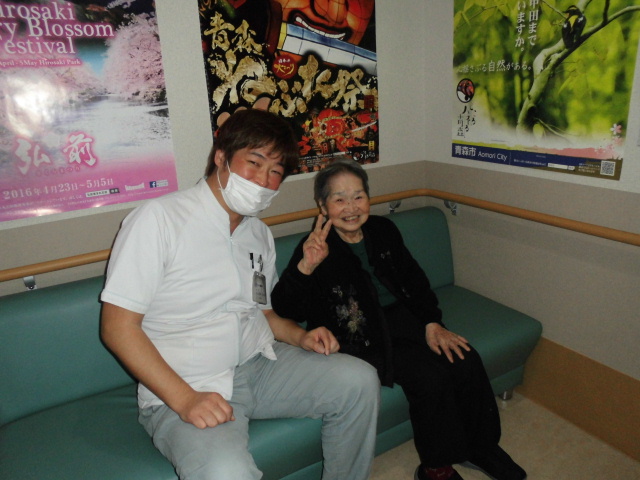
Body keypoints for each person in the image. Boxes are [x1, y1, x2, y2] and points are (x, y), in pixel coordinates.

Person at [100, 110, 380, 480]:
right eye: (254, 162)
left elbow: (263, 312)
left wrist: (300, 336)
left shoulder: (257, 234)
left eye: (276, 171)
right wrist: (185, 399)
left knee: (360, 380)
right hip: (188, 381)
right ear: (221, 156)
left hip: (259, 364)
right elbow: (118, 328)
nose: (264, 180)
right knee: (225, 471)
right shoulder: (158, 219)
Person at [271, 159, 527, 480]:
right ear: (322, 206)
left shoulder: (383, 230)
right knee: (429, 377)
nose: (351, 207)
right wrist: (306, 266)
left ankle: (480, 447)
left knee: (464, 357)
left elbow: (415, 281)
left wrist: (432, 322)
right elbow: (286, 310)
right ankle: (435, 467)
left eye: (358, 196)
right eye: (339, 199)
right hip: (360, 340)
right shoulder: (315, 247)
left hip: (404, 321)